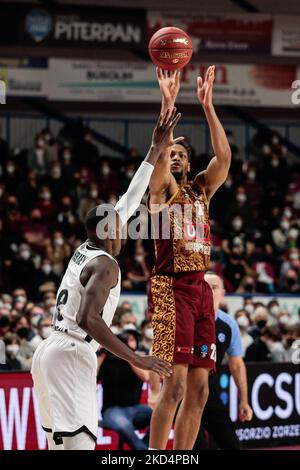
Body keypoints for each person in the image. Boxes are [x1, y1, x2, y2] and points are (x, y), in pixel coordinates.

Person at [31, 109, 180, 451]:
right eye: (118, 221)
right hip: (72, 351)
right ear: (108, 229)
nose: (124, 222)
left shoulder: (87, 246)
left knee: (59, 447)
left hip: (51, 349)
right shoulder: (107, 265)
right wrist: (136, 358)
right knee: (82, 445)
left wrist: (154, 150)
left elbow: (129, 199)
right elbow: (89, 318)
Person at [148, 67, 231, 450]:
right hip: (170, 288)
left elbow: (224, 157)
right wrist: (168, 103)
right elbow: (159, 160)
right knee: (175, 383)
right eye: (172, 154)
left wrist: (208, 106)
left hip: (200, 291)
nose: (176, 158)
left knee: (199, 391)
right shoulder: (161, 192)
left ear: (190, 161)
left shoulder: (201, 191)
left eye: (182, 154)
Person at [193, 272, 253, 450]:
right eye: (204, 286)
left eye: (214, 287)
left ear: (223, 293)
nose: (209, 291)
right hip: (183, 394)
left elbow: (237, 365)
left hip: (209, 392)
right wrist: (157, 390)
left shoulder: (229, 325)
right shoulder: (186, 318)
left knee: (232, 445)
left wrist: (244, 400)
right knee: (196, 447)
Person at [98, 330, 152, 450]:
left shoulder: (138, 359)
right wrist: (103, 353)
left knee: (162, 416)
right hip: (112, 410)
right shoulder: (107, 359)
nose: (127, 343)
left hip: (136, 408)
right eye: (123, 341)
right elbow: (92, 377)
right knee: (123, 424)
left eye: (131, 340)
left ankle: (144, 446)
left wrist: (127, 354)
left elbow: (145, 376)